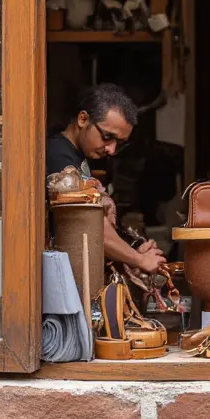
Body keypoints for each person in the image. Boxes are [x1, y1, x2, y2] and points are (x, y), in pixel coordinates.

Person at [47, 84, 166, 277]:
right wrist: (140, 260)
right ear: (83, 119)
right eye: (107, 137)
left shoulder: (78, 155)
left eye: (118, 143)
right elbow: (91, 226)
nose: (111, 149)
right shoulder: (58, 157)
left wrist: (131, 250)